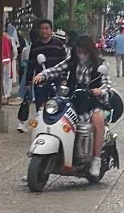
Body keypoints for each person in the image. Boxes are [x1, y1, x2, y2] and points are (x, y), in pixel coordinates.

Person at [33, 35, 110, 178]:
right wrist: (42, 75)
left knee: (98, 120)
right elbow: (55, 69)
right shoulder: (71, 61)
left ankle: (96, 159)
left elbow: (106, 84)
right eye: (79, 51)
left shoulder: (100, 64)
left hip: (91, 101)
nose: (81, 55)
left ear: (90, 50)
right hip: (73, 98)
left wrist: (100, 90)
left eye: (84, 52)